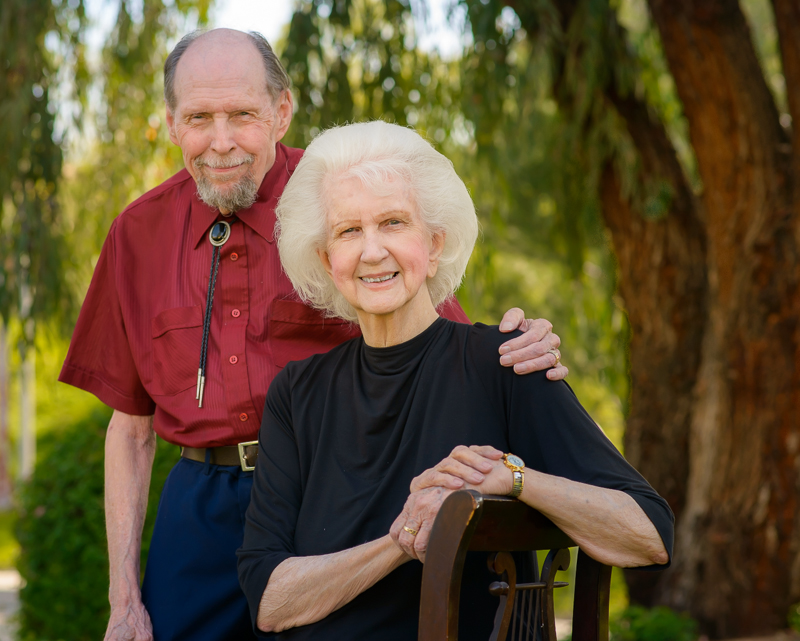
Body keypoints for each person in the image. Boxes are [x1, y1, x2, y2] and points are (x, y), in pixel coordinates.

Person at [60, 29, 568, 641]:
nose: (220, 142)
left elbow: (439, 340)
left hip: (337, 494)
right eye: (199, 118)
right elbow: (131, 429)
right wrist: (123, 599)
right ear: (172, 124)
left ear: (281, 111)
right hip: (202, 507)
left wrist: (516, 351)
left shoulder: (344, 199)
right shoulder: (135, 235)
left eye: (242, 115)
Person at [237, 121, 674, 639]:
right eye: (348, 231)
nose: (372, 251)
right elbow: (270, 601)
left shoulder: (506, 362)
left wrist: (513, 479)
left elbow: (648, 533)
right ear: (328, 260)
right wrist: (406, 539)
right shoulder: (297, 393)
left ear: (435, 242)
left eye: (394, 223)